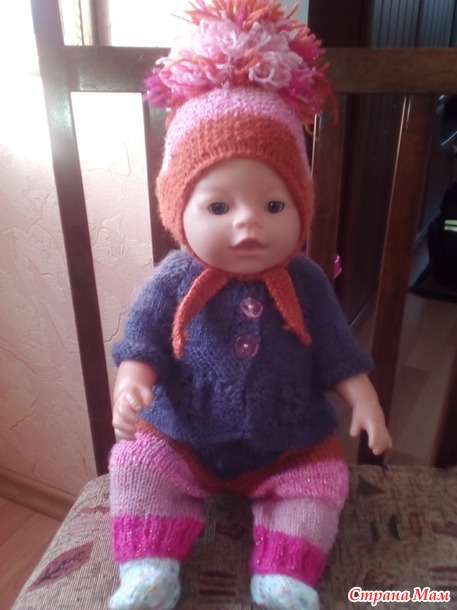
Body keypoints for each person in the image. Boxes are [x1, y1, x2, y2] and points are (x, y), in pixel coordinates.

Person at [108, 2, 392, 609]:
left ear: (301, 209)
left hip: (288, 445)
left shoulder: (306, 280)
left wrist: (364, 400)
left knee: (322, 480)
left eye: (273, 206)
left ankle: (285, 573)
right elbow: (143, 343)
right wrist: (132, 382)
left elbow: (338, 354)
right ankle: (149, 567)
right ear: (178, 211)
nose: (248, 224)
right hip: (184, 439)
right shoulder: (174, 278)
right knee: (136, 462)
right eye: (218, 207)